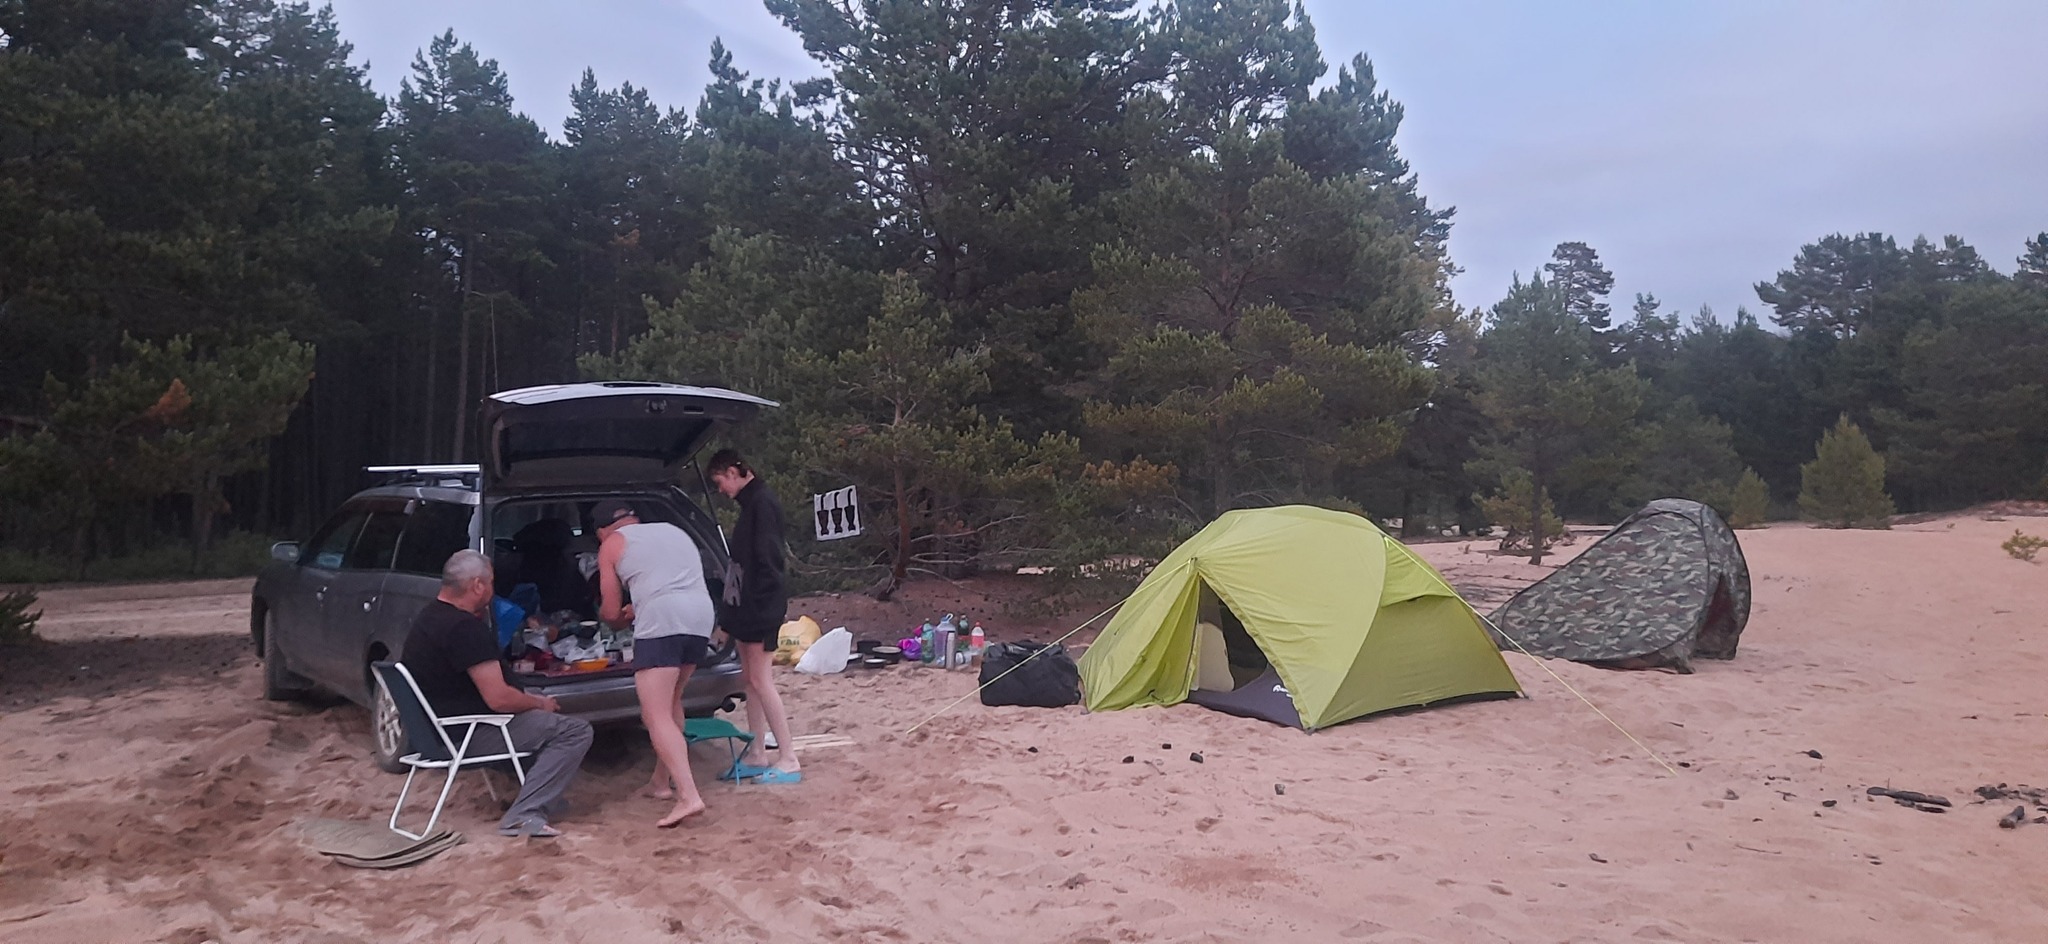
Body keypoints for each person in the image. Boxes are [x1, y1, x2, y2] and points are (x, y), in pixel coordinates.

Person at [401, 549, 592, 839]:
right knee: (574, 731)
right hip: (466, 734)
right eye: (491, 582)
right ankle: (524, 814)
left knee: (539, 721)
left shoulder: (428, 617)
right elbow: (499, 699)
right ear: (477, 585)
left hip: (432, 733)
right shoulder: (464, 629)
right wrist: (539, 703)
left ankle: (541, 797)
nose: (493, 589)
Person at [592, 499, 717, 826]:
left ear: (602, 531)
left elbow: (610, 612)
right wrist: (640, 605)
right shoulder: (674, 531)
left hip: (662, 622)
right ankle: (661, 782)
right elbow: (672, 580)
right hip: (700, 617)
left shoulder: (611, 545)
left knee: (654, 714)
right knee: (672, 701)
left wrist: (621, 617)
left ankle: (688, 796)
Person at [705, 449, 801, 784]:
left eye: (720, 482)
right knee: (749, 681)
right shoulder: (750, 506)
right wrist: (730, 617)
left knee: (762, 680)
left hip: (762, 608)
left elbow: (770, 563)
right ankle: (758, 752)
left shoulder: (763, 503)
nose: (720, 490)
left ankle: (788, 758)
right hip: (746, 608)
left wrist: (761, 610)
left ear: (733, 473)